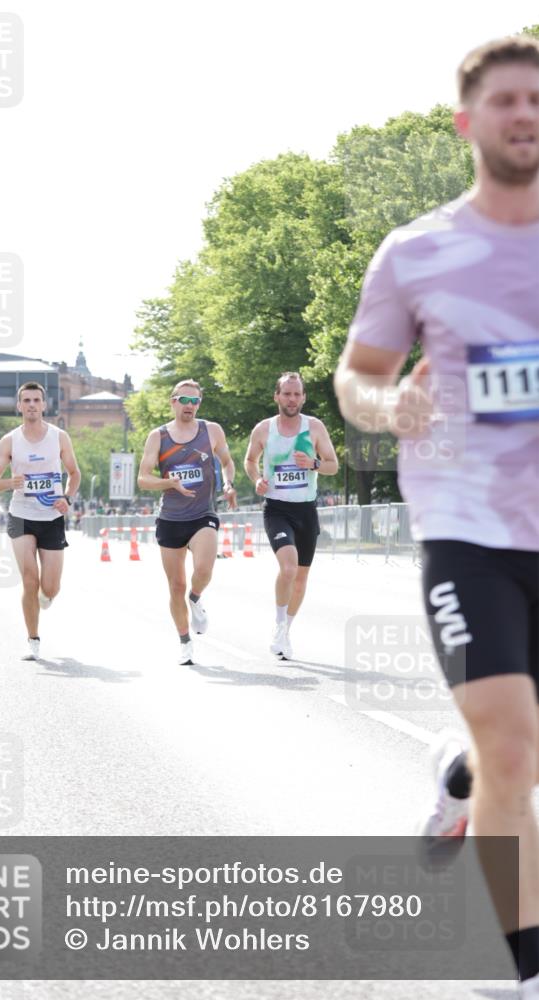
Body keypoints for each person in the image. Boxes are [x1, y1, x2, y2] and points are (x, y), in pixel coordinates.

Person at [334, 35, 539, 997]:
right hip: (469, 531)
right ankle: (515, 966)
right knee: (514, 744)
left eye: (536, 98)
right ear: (468, 122)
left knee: (508, 753)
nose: (524, 114)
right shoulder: (415, 252)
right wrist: (388, 408)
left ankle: (460, 782)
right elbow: (357, 379)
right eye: (504, 100)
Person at [137, 379, 236, 665]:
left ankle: (196, 597)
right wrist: (168, 483)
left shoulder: (211, 431)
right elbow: (143, 478)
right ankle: (184, 642)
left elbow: (228, 462)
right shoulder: (158, 436)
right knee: (175, 586)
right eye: (184, 400)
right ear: (173, 401)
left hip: (202, 513)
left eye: (195, 401)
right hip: (170, 518)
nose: (190, 406)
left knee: (203, 569)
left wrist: (229, 484)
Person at [244, 373, 338, 660]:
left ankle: (285, 629)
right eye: (286, 394)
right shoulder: (264, 429)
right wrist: (257, 478)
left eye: (297, 394)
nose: (292, 399)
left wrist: (314, 463)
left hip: (306, 509)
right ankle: (278, 624)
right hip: (277, 509)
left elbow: (333, 466)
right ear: (277, 396)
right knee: (288, 568)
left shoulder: (315, 427)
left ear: (303, 398)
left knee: (300, 579)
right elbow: (250, 460)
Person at [0, 381, 81, 661]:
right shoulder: (10, 441)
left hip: (51, 516)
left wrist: (67, 498)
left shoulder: (59, 437)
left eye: (36, 400)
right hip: (21, 515)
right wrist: (8, 482)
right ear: (19, 406)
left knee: (50, 588)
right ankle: (33, 639)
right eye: (26, 400)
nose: (31, 405)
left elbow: (74, 473)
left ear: (44, 405)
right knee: (29, 580)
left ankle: (44, 598)